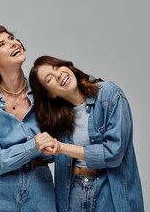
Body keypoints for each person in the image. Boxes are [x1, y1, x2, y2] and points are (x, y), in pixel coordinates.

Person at [29, 55, 144, 212]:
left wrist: (61, 147)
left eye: (57, 67)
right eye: (49, 79)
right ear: (50, 94)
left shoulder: (109, 94)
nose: (59, 75)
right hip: (73, 192)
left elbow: (113, 153)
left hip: (109, 191)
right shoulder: (57, 120)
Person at [0, 26, 57, 212]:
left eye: (11, 38)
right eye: (2, 44)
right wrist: (33, 146)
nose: (13, 43)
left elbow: (59, 143)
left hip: (41, 186)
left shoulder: (44, 90)